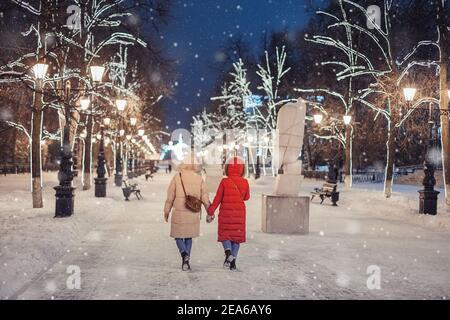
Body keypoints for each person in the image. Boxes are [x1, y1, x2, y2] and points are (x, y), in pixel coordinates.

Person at [164, 159, 210, 271]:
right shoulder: (199, 178)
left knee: (178, 236)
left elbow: (170, 196)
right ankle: (186, 261)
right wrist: (209, 210)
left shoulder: (177, 177)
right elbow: (204, 197)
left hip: (179, 210)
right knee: (188, 236)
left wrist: (166, 210)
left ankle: (184, 254)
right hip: (192, 210)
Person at [207, 157, 250, 271]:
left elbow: (217, 198)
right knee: (236, 238)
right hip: (239, 212)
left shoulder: (224, 181)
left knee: (225, 234)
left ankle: (228, 252)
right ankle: (233, 262)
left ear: (227, 168)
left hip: (226, 211)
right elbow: (247, 197)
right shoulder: (245, 182)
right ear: (242, 169)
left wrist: (211, 211)